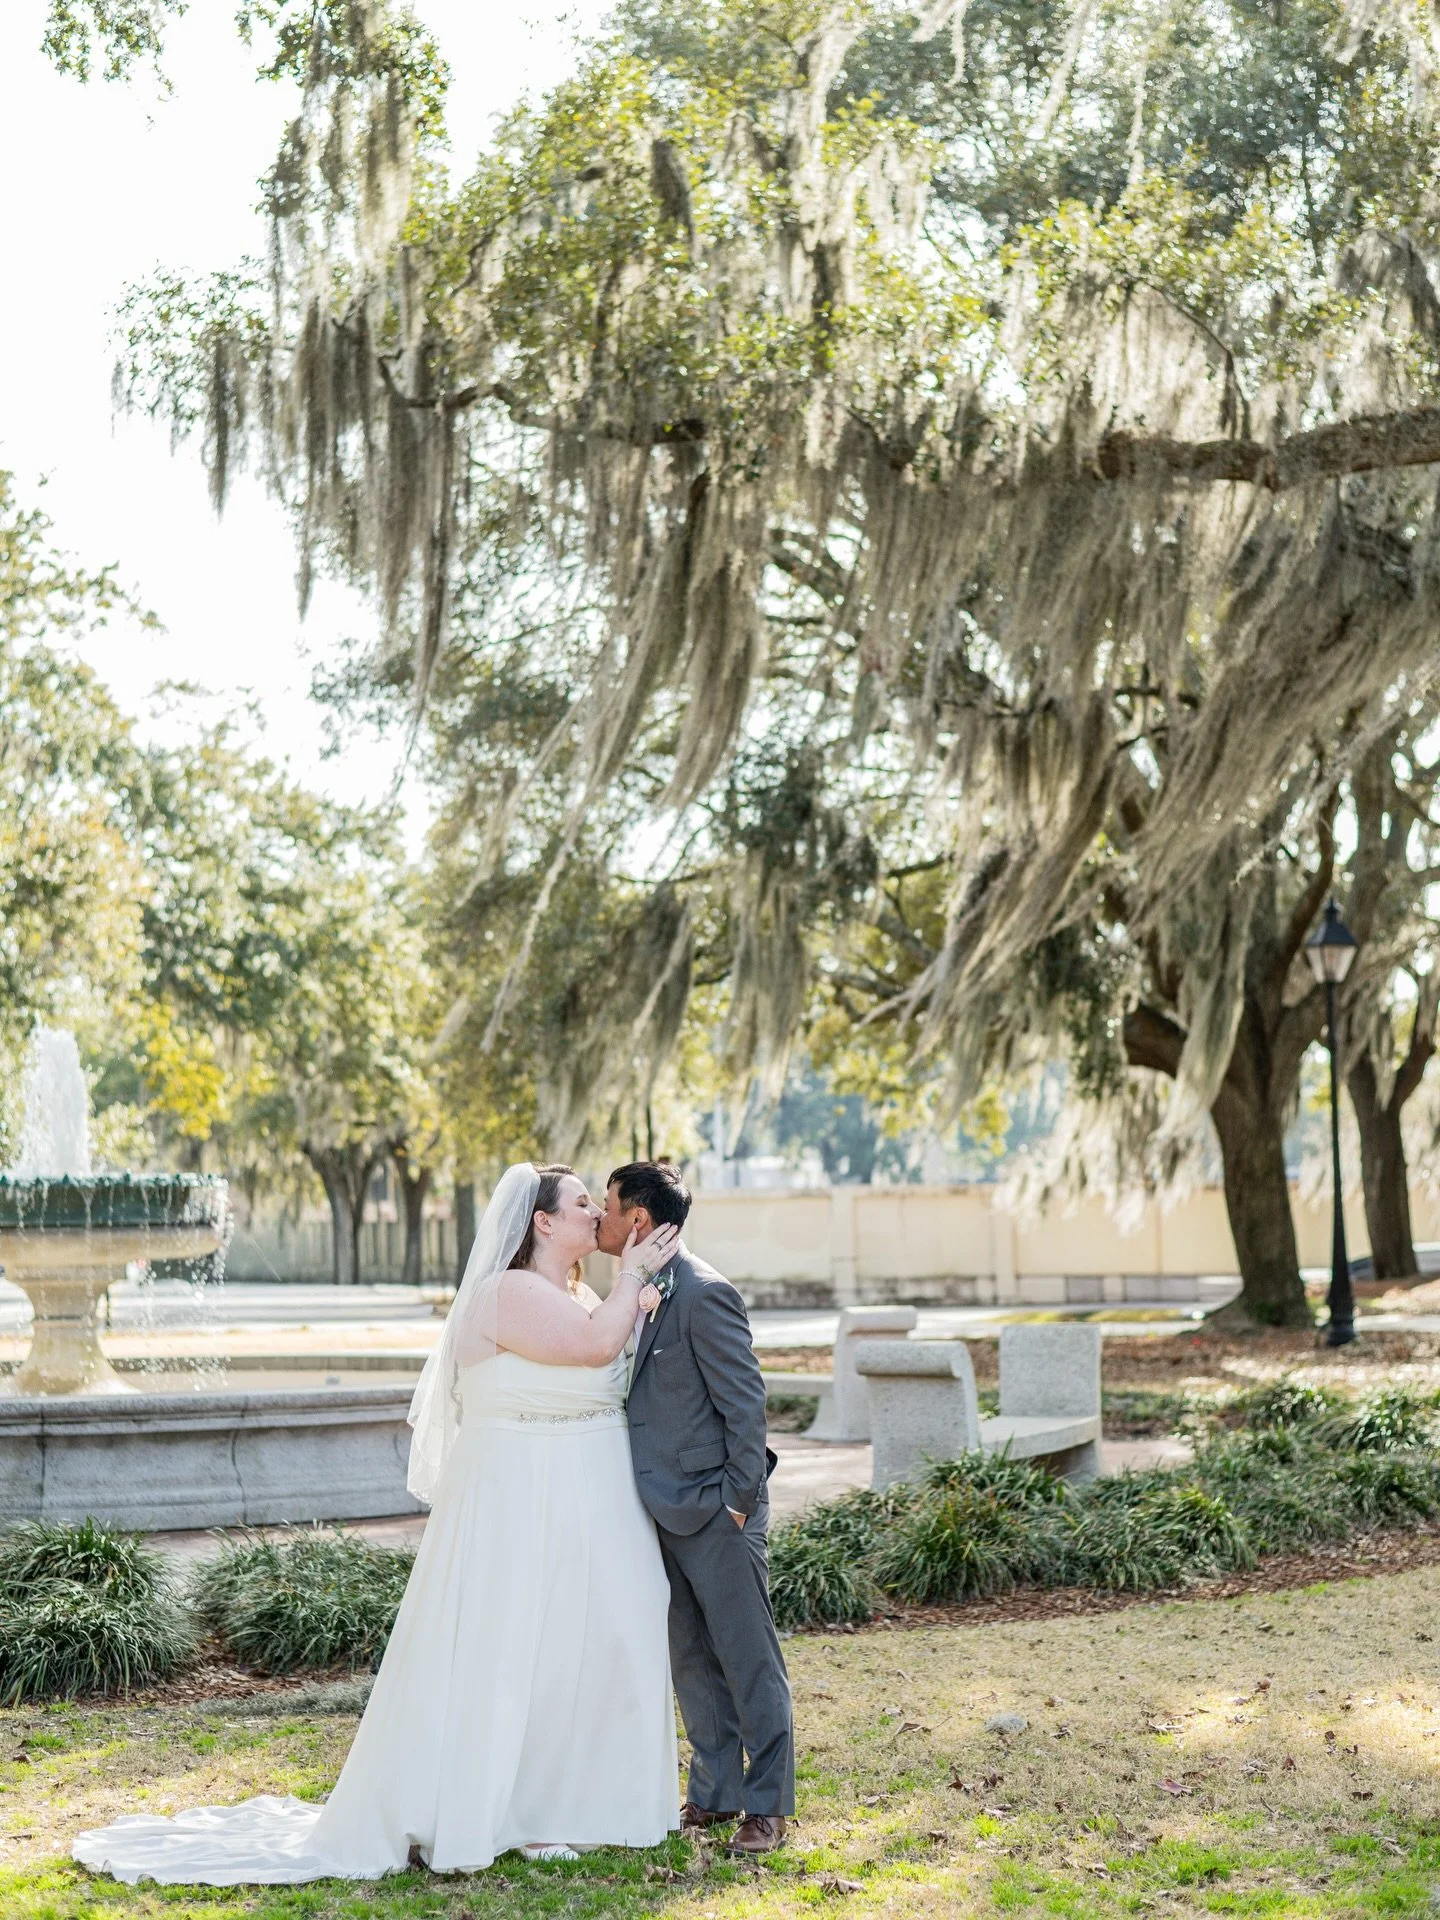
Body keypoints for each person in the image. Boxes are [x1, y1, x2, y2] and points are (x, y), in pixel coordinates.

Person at [73, 1163, 682, 1884]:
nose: (597, 1214)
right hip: (519, 1497)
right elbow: (592, 1349)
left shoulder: (579, 1293)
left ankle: (555, 1801)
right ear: (542, 1222)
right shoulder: (508, 1291)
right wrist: (632, 1278)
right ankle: (501, 1811)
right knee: (509, 1649)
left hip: (580, 1499)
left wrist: (631, 1294)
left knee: (564, 1651)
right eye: (582, 1203)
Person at [598, 1160, 794, 1855]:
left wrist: (737, 1502)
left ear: (639, 1220)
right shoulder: (638, 1288)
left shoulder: (705, 1292)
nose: (600, 1218)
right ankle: (714, 1792)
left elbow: (745, 1406)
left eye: (608, 1206)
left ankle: (767, 1808)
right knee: (691, 1660)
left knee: (748, 1660)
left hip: (715, 1510)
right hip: (659, 1511)